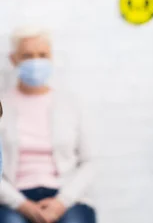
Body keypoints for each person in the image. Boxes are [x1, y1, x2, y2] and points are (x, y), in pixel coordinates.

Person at [0, 26, 96, 223]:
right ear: (13, 59)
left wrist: (62, 201)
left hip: (65, 195)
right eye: (27, 55)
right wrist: (21, 204)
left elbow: (90, 161)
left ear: (51, 58)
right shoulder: (3, 104)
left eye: (42, 55)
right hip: (13, 196)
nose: (36, 62)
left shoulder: (70, 104)